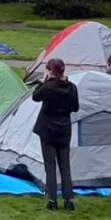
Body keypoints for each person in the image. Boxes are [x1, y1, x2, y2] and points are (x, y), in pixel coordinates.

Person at [31, 57, 80, 211]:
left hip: (47, 131)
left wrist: (44, 81)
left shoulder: (48, 87)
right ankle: (68, 201)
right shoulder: (72, 88)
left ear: (50, 71)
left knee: (50, 167)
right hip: (64, 130)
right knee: (65, 166)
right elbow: (75, 108)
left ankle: (52, 201)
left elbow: (35, 97)